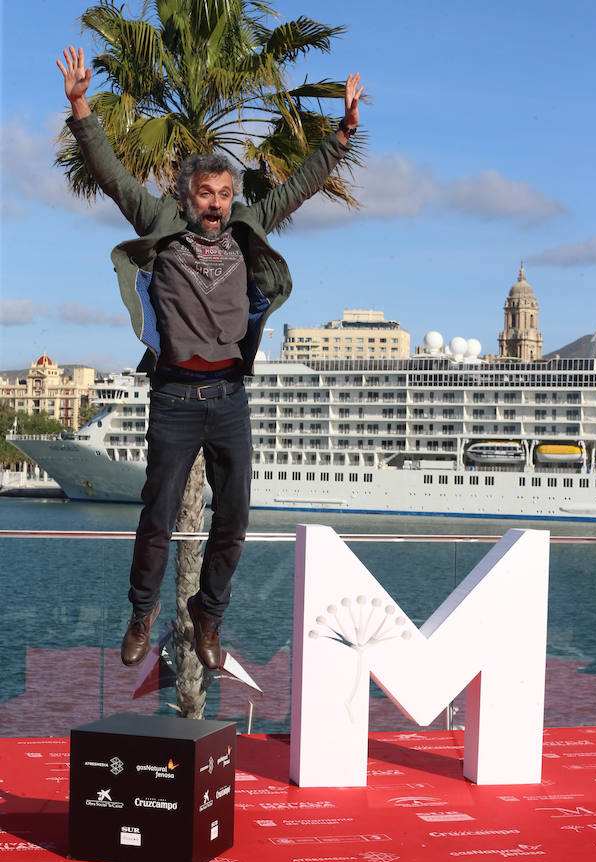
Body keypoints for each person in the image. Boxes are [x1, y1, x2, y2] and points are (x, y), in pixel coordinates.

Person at [57, 45, 363, 671]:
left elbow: (299, 187)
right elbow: (113, 173)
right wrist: (81, 105)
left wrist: (342, 134)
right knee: (157, 517)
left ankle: (208, 615)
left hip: (229, 397)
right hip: (173, 396)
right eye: (207, 194)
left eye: (225, 193)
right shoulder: (162, 225)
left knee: (237, 516)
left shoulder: (247, 230)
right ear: (187, 197)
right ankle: (142, 612)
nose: (218, 203)